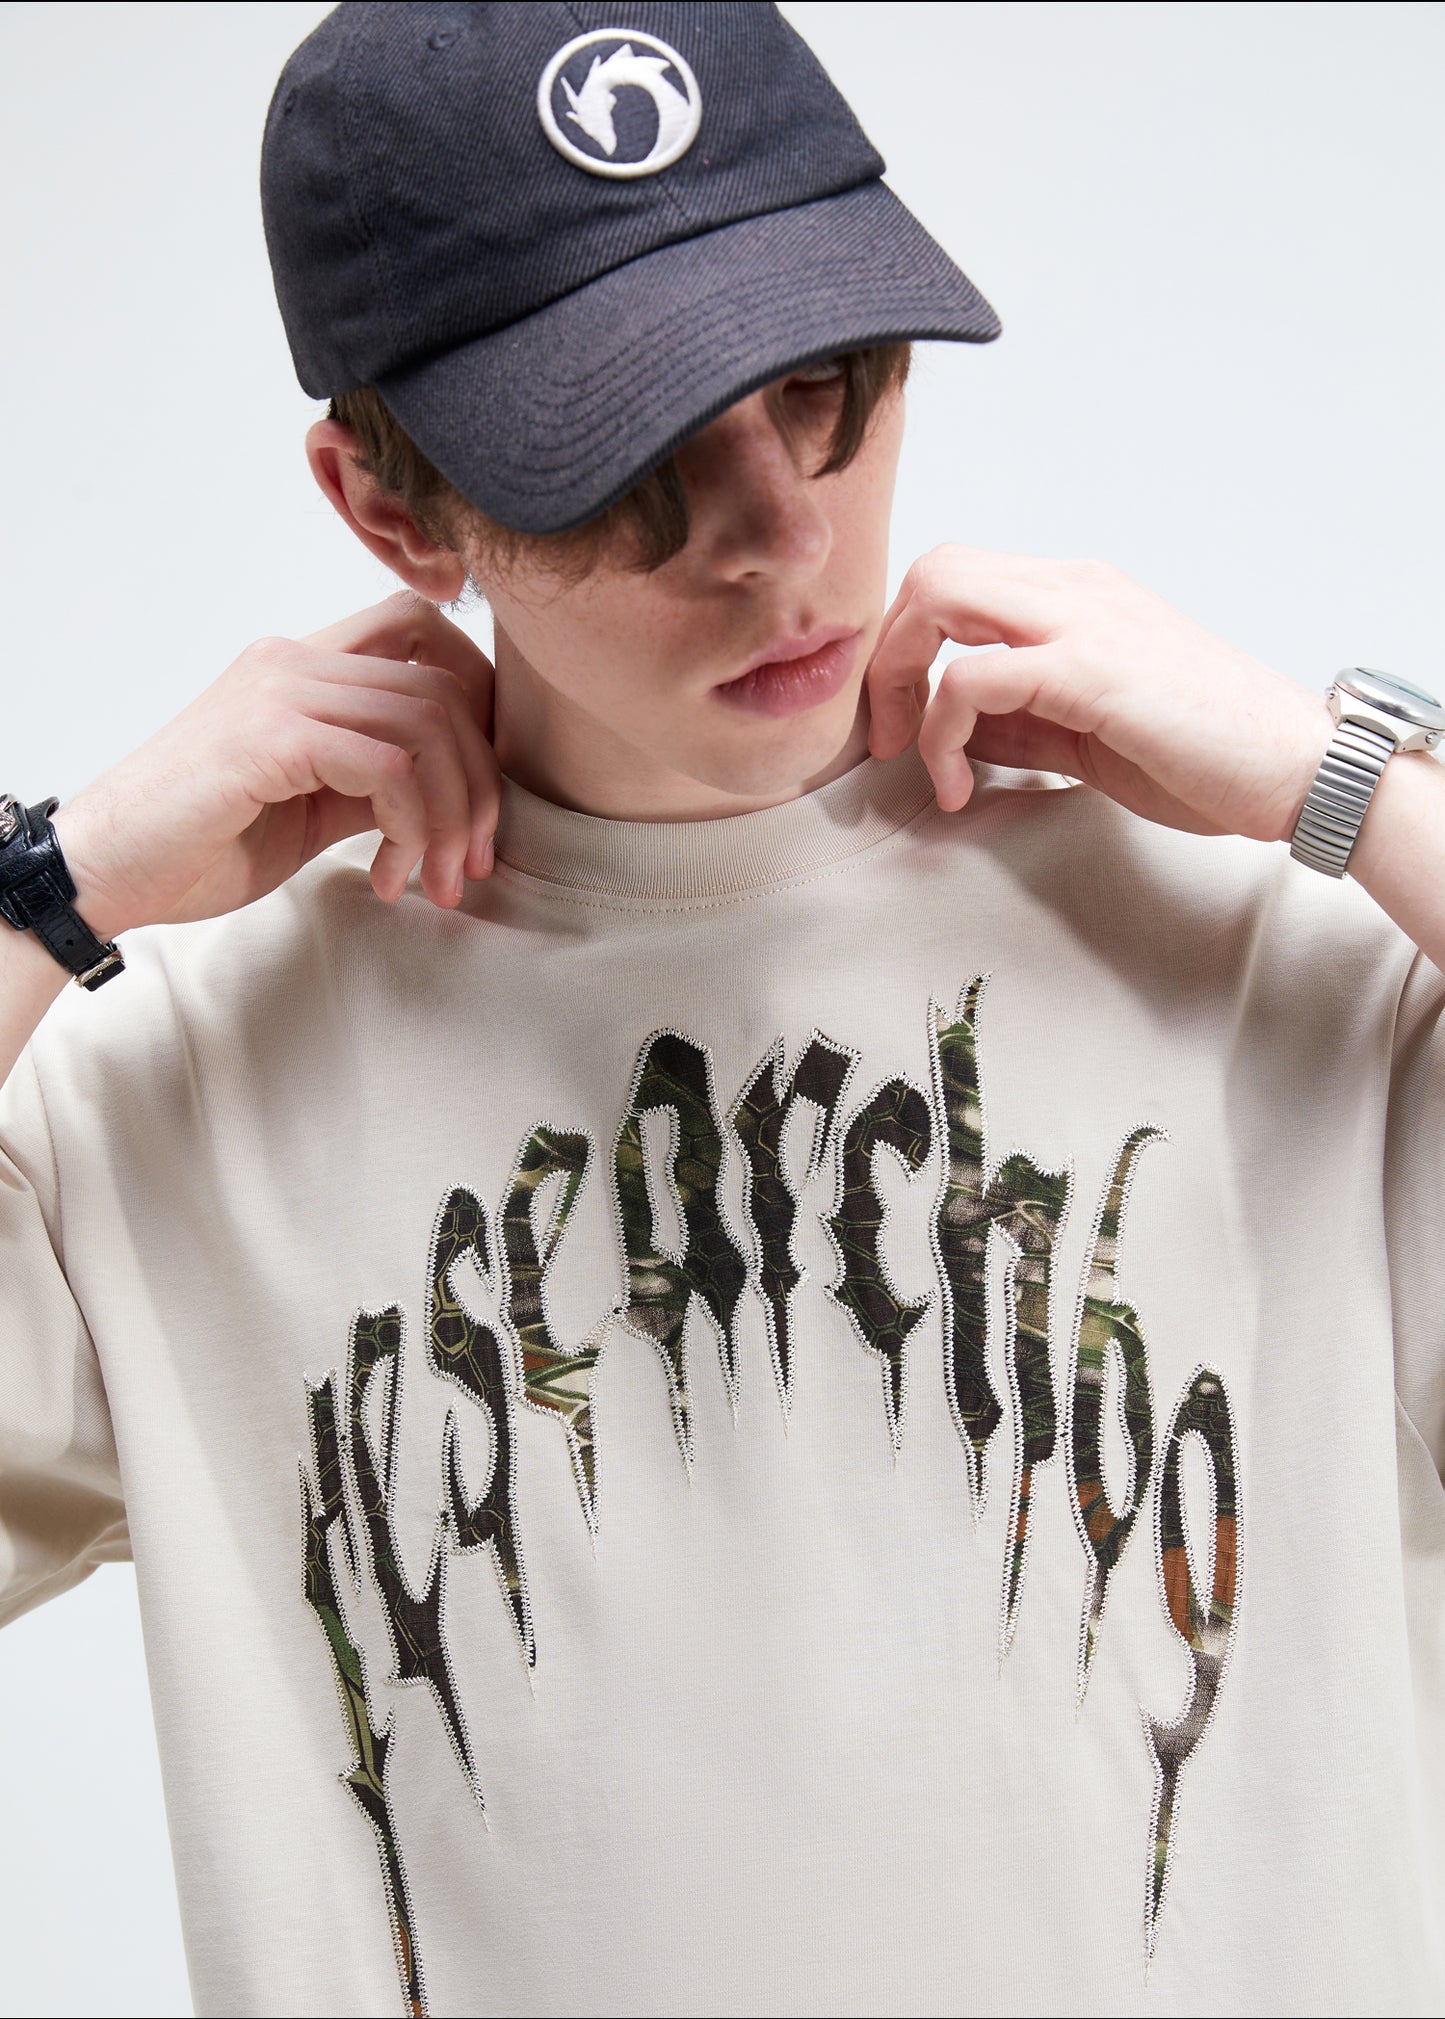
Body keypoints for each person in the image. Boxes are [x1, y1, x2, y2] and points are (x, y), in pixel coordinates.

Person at [1, 3, 1441, 2013]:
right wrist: (44, 887)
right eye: (634, 458)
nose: (783, 536)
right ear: (392, 507)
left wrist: (1347, 782)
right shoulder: (157, 1088)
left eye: (824, 385)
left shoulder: (1282, 965)